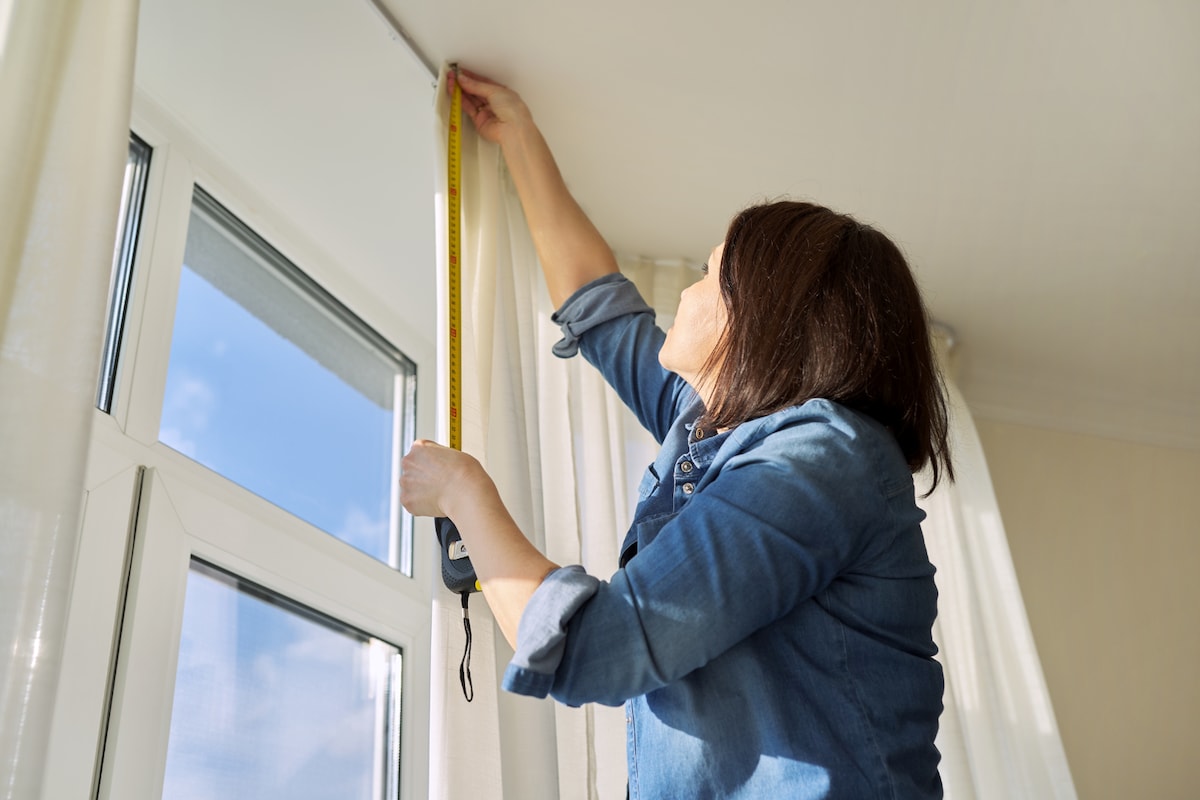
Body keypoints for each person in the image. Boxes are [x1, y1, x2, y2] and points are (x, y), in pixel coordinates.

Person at [400, 68, 953, 800]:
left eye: (707, 272)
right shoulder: (712, 435)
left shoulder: (821, 459)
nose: (687, 291)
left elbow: (595, 649)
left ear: (761, 316)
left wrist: (464, 491)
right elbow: (602, 313)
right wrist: (521, 140)